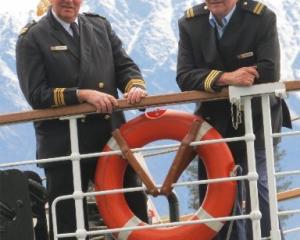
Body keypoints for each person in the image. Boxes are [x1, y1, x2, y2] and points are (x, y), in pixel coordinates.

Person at [16, 0, 148, 239]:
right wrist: (82, 95)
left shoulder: (99, 26)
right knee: (69, 224)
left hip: (110, 138)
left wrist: (134, 87)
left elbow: (125, 67)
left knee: (133, 210)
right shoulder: (32, 37)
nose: (69, 1)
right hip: (64, 144)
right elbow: (37, 94)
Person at [176, 0, 291, 239]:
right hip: (214, 123)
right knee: (216, 196)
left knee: (258, 188)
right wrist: (227, 78)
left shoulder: (260, 17)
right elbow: (185, 77)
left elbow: (269, 71)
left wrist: (211, 78)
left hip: (257, 120)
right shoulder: (190, 23)